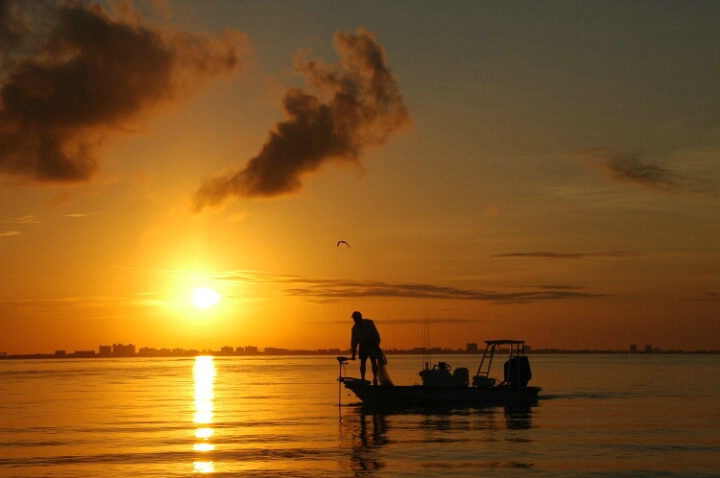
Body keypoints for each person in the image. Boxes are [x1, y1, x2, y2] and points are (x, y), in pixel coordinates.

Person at [350, 311, 381, 385]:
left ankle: (375, 379)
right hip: (363, 346)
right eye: (354, 319)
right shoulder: (355, 328)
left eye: (355, 318)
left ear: (360, 317)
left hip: (372, 345)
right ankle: (363, 378)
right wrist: (353, 354)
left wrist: (376, 345)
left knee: (373, 362)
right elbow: (354, 342)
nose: (354, 320)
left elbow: (376, 334)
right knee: (363, 362)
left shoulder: (369, 323)